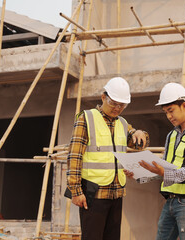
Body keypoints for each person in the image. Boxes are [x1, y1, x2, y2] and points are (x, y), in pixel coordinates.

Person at [125, 83, 185, 240]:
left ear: (184, 105)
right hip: (171, 201)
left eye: (171, 111)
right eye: (166, 112)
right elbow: (165, 170)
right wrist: (140, 175)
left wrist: (163, 172)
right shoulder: (171, 136)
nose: (168, 116)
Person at [66, 77, 149, 240]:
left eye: (122, 105)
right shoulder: (86, 118)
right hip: (93, 194)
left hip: (116, 193)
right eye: (114, 103)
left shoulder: (123, 124)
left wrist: (141, 133)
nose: (117, 108)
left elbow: (138, 144)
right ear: (103, 97)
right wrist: (75, 191)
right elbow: (75, 156)